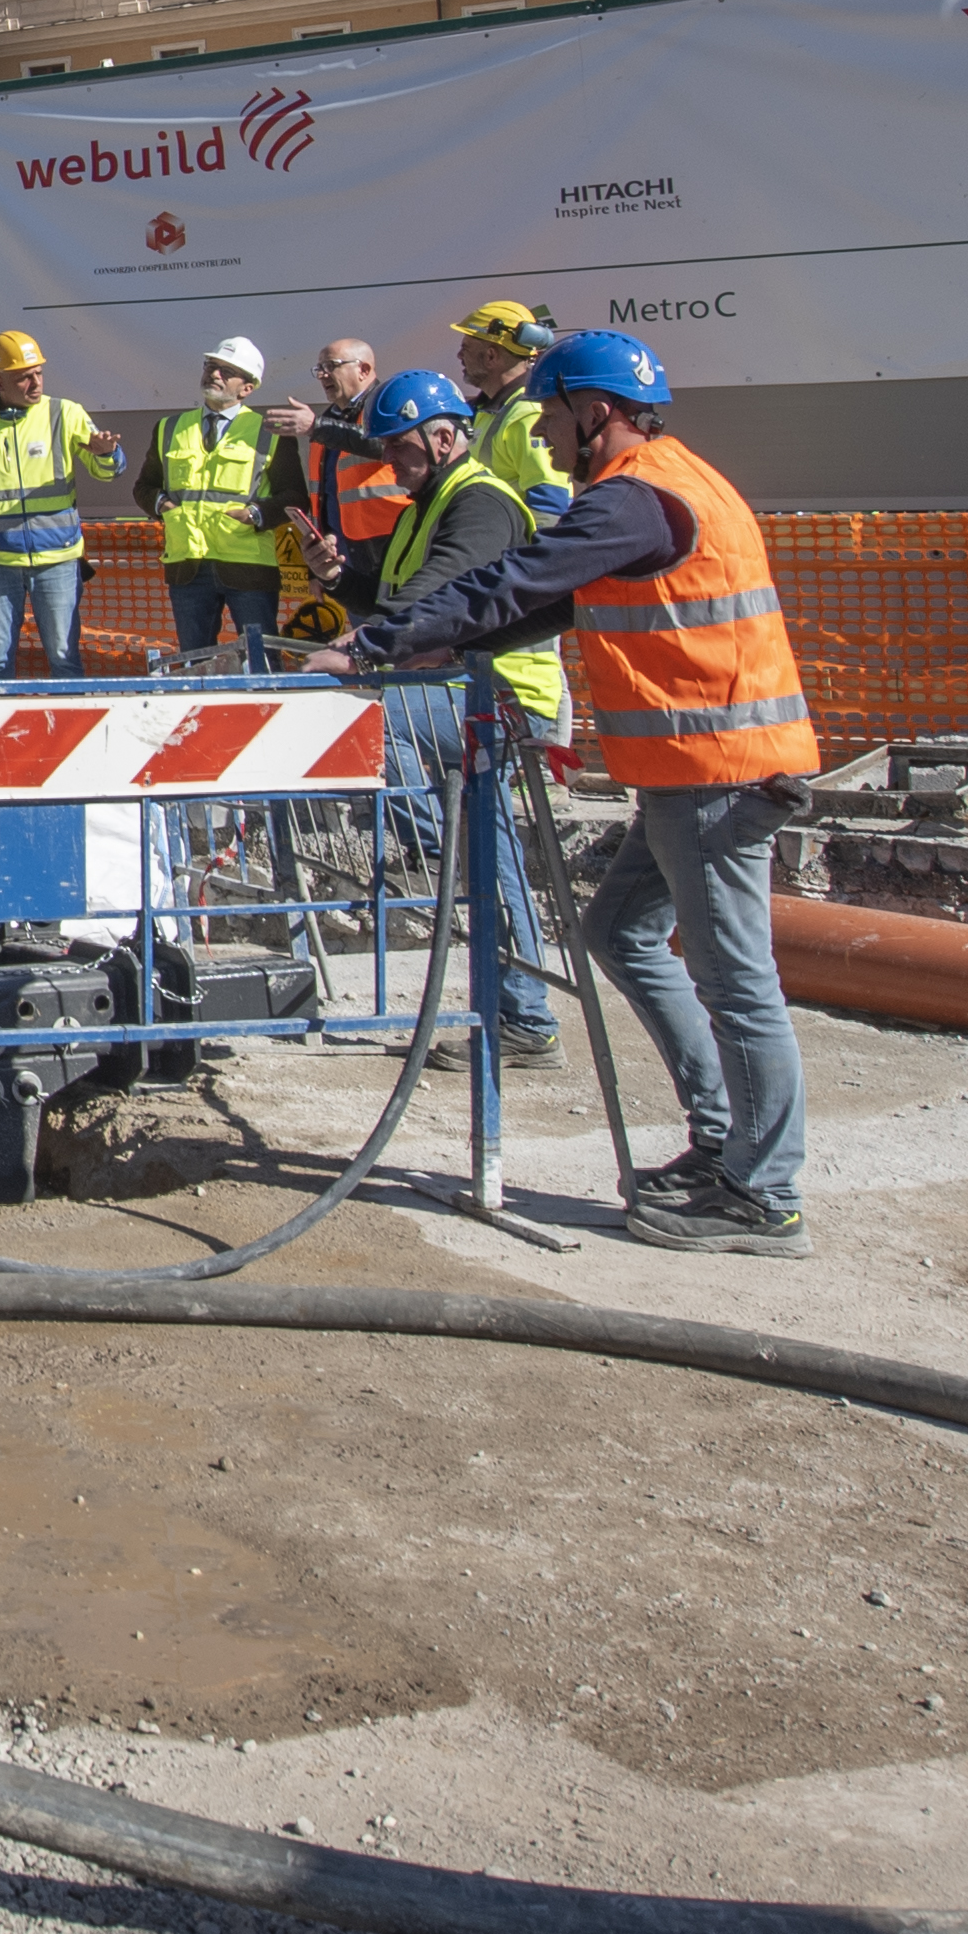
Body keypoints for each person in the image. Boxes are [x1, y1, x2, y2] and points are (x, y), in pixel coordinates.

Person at [307, 327, 820, 1253]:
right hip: (690, 775)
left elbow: (518, 579)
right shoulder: (654, 490)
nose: (540, 430)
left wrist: (372, 644)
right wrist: (433, 643)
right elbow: (554, 603)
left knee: (737, 985)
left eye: (550, 412)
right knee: (616, 931)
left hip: (720, 774)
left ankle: (762, 1191)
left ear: (598, 412)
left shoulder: (637, 498)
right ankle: (723, 1144)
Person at [327, 369, 562, 1065]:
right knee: (495, 865)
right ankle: (525, 1015)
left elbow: (438, 595)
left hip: (496, 696)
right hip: (463, 693)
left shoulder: (480, 503)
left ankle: (430, 842)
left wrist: (354, 648)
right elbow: (394, 596)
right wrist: (341, 580)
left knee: (360, 720)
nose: (391, 463)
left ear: (443, 436)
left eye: (400, 448)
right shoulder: (425, 506)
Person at [0, 331, 110, 679]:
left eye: (38, 373)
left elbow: (107, 473)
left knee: (64, 659)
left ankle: (72, 733)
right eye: (23, 376)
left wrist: (108, 454)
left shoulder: (64, 413)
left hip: (58, 559)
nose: (34, 382)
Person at [142, 335, 306, 655]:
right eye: (211, 366)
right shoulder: (169, 427)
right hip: (188, 567)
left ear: (247, 388)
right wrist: (162, 505)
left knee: (263, 660)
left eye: (226, 371)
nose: (214, 374)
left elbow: (295, 497)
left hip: (247, 567)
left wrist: (255, 515)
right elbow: (145, 487)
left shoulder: (269, 432)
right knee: (195, 660)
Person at [294, 334, 412, 598]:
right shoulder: (328, 420)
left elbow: (382, 444)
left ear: (364, 369)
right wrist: (317, 570)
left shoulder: (386, 407)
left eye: (331, 366)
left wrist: (317, 428)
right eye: (319, 369)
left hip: (392, 544)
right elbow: (322, 497)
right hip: (345, 553)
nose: (323, 376)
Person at [447, 298, 575, 526]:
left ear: (491, 356)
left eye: (465, 348)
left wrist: (532, 560)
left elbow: (549, 505)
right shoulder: (487, 409)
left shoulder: (527, 414)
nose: (459, 356)